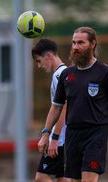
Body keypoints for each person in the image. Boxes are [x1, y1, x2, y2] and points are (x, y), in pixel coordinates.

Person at [38, 27, 108, 182]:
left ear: (93, 44)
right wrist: (45, 133)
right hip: (73, 135)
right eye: (74, 43)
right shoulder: (67, 74)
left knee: (88, 180)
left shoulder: (104, 72)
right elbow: (57, 106)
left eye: (81, 43)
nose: (76, 47)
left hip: (96, 134)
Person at [32, 38, 71, 182]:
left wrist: (54, 138)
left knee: (41, 177)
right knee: (62, 178)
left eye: (38, 60)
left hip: (61, 138)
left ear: (48, 56)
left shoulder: (59, 75)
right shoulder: (63, 73)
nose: (39, 66)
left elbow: (63, 107)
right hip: (65, 138)